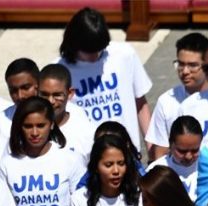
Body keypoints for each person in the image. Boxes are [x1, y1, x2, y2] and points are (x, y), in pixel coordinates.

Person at [57, 7, 152, 150]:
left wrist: (152, 149)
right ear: (74, 42)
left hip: (127, 152)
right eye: (89, 51)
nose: (95, 56)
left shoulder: (124, 54)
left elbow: (140, 103)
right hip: (87, 157)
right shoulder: (59, 70)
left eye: (99, 49)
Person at [144, 32, 208, 161]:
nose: (185, 71)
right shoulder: (166, 101)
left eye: (192, 65)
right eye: (180, 64)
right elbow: (160, 153)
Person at [38, 64, 95, 165]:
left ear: (70, 94)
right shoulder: (27, 129)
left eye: (57, 95)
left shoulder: (85, 131)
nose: (50, 101)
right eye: (44, 94)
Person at [148, 115, 203, 199]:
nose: (188, 156)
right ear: (170, 144)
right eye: (182, 151)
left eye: (194, 150)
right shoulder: (155, 170)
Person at [0, 58, 42, 138]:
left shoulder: (57, 114)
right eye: (13, 90)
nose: (20, 96)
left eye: (26, 88)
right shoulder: (1, 123)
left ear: (39, 84)